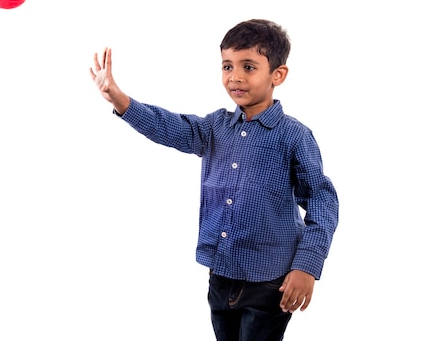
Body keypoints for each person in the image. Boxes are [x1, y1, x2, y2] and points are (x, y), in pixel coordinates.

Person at [89, 19, 339, 341]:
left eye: (248, 67)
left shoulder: (294, 136)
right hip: (219, 275)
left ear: (277, 75)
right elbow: (169, 127)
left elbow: (323, 201)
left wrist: (306, 266)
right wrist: (118, 98)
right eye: (227, 66)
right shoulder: (214, 127)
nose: (234, 77)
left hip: (270, 282)